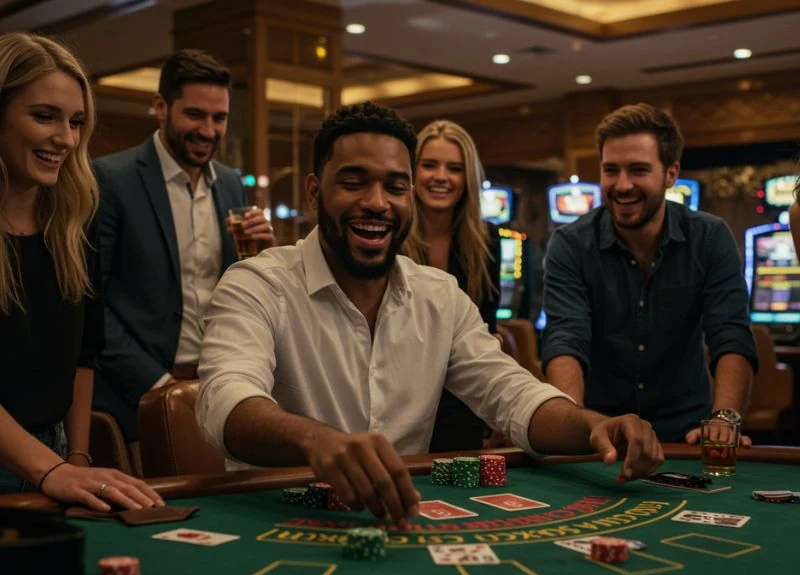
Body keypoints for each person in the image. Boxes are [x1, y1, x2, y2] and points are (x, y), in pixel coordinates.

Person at [196, 101, 664, 531]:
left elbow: (514, 396)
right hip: (277, 524)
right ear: (316, 192)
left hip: (400, 526)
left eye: (395, 186)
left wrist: (592, 426)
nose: (378, 202)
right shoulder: (256, 284)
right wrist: (316, 442)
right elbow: (225, 400)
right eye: (354, 182)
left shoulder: (440, 296)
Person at [0, 33, 163, 510]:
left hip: (53, 458)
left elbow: (83, 355)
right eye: (44, 116)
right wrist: (51, 469)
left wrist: (76, 457)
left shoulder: (75, 219)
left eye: (75, 122)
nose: (67, 139)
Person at [541, 103, 759, 446]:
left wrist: (724, 419)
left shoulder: (709, 236)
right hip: (602, 432)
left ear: (671, 174)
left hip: (687, 435)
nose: (622, 185)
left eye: (638, 170)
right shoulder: (570, 244)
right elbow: (566, 338)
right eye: (611, 170)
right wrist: (574, 424)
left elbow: (730, 333)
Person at [92, 49, 275, 444]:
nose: (208, 131)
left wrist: (263, 255)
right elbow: (92, 302)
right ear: (161, 107)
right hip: (133, 397)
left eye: (219, 118)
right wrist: (158, 383)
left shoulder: (230, 183)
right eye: (195, 115)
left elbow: (236, 288)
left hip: (216, 386)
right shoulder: (111, 179)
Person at [402, 119, 501, 452]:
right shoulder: (391, 235)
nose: (441, 177)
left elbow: (486, 328)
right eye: (429, 165)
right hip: (398, 397)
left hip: (463, 399)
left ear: (468, 178)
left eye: (455, 168)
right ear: (412, 172)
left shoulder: (487, 240)